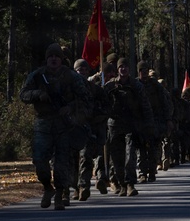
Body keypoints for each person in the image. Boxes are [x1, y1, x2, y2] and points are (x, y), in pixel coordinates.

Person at [19, 43, 91, 210]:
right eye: (51, 56)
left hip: (63, 125)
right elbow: (23, 94)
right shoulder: (37, 76)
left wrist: (71, 108)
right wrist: (38, 94)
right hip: (43, 124)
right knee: (39, 161)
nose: (53, 59)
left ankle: (59, 194)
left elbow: (85, 98)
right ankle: (47, 187)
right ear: (47, 59)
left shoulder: (72, 77)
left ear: (61, 59)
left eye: (57, 56)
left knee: (61, 163)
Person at [105, 57, 156, 197]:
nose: (124, 69)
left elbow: (145, 106)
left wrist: (148, 125)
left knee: (130, 155)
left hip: (132, 125)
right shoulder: (110, 86)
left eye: (126, 66)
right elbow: (102, 104)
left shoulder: (136, 86)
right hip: (114, 126)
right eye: (121, 67)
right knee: (116, 158)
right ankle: (121, 183)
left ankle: (130, 183)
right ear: (117, 69)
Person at [73, 58, 110, 199]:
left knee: (86, 157)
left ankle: (84, 186)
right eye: (78, 70)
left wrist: (97, 117)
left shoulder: (95, 90)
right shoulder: (69, 89)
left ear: (88, 71)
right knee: (72, 161)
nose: (81, 72)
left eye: (83, 69)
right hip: (71, 128)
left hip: (89, 128)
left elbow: (106, 107)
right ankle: (73, 187)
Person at [137, 61, 172, 184]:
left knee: (153, 148)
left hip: (154, 121)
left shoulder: (156, 86)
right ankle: (142, 173)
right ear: (139, 72)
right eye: (142, 70)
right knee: (141, 149)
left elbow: (164, 103)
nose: (144, 73)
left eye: (146, 70)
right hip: (140, 122)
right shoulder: (135, 85)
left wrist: (168, 120)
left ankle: (151, 171)